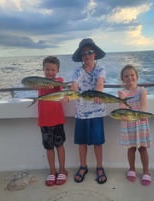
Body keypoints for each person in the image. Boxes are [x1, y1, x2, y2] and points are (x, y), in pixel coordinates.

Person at [71, 38, 107, 184]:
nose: (87, 55)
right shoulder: (77, 71)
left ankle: (99, 167)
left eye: (90, 52)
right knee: (82, 143)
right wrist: (71, 93)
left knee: (98, 143)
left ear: (95, 54)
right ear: (81, 56)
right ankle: (83, 166)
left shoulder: (101, 69)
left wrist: (97, 94)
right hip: (81, 113)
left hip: (97, 112)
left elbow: (100, 83)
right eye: (84, 53)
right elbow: (74, 85)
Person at [118, 64, 152, 186]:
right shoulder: (122, 92)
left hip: (141, 123)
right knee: (131, 148)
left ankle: (146, 171)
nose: (129, 78)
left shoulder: (142, 90)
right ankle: (131, 169)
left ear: (136, 76)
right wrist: (123, 115)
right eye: (126, 76)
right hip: (128, 124)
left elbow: (143, 106)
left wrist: (141, 113)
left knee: (142, 148)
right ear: (123, 79)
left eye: (132, 75)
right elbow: (121, 106)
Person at [37, 56, 67, 186]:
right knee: (49, 148)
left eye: (53, 69)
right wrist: (41, 83)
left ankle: (62, 169)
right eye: (47, 69)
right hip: (44, 121)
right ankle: (52, 171)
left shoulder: (59, 81)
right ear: (43, 69)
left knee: (60, 146)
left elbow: (60, 86)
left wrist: (54, 83)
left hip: (58, 120)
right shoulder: (39, 83)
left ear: (57, 70)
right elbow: (34, 84)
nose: (50, 72)